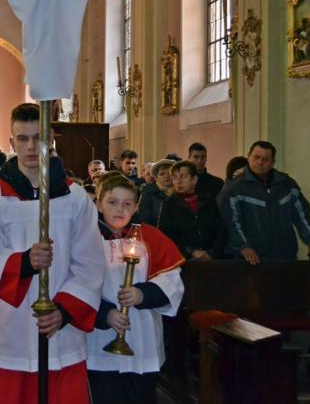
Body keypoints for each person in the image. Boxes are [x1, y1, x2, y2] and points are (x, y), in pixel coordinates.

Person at [0, 103, 105, 404]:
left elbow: (91, 264)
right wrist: (25, 263)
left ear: (51, 139)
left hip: (60, 332)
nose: (31, 147)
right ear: (11, 142)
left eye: (38, 137)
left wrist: (64, 311)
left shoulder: (75, 198)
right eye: (23, 138)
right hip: (11, 328)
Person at [87, 173, 185, 404]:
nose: (119, 209)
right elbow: (76, 285)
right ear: (99, 204)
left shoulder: (150, 238)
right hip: (100, 338)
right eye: (112, 202)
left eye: (127, 203)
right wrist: (104, 313)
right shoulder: (86, 239)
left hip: (142, 336)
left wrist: (143, 294)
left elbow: (172, 281)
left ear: (136, 207)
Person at [219, 141, 310, 264]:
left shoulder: (286, 184)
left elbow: (301, 215)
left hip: (285, 256)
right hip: (251, 259)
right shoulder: (236, 188)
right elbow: (233, 222)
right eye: (256, 157)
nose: (259, 162)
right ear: (249, 156)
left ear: (272, 162)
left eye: (265, 159)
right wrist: (243, 246)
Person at [157, 161, 226, 260]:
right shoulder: (169, 204)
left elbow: (220, 231)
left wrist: (212, 252)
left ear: (194, 179)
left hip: (210, 258)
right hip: (182, 259)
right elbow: (165, 235)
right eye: (175, 177)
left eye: (183, 177)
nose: (178, 181)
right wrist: (191, 252)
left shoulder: (208, 201)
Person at [137, 158, 175, 226]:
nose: (166, 176)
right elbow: (145, 219)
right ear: (156, 177)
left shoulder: (181, 191)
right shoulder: (148, 192)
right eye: (162, 174)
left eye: (169, 173)